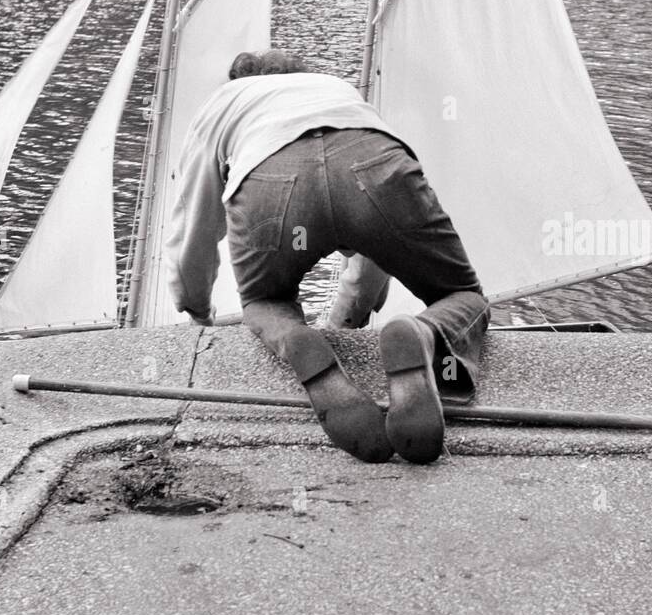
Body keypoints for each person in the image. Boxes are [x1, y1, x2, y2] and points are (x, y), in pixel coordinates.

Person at [163, 48, 489, 465]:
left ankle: (297, 338)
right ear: (297, 73)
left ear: (240, 81)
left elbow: (196, 216)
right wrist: (348, 319)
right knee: (463, 296)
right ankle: (423, 335)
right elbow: (374, 254)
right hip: (374, 163)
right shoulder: (335, 90)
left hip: (270, 179)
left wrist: (196, 306)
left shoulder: (224, 104)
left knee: (266, 304)